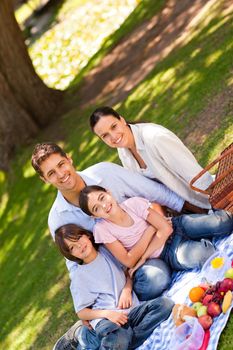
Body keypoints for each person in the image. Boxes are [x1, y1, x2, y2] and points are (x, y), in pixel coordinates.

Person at [31, 142, 183, 349]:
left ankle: (112, 338)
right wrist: (88, 308)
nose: (61, 174)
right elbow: (74, 263)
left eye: (61, 164)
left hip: (147, 252)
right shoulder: (58, 218)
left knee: (155, 286)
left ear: (69, 158)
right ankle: (89, 334)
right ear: (44, 179)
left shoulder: (104, 173)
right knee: (155, 282)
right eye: (51, 173)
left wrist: (194, 205)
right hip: (119, 280)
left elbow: (153, 191)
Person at [54, 224, 174, 350]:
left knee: (165, 304)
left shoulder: (106, 251)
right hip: (107, 320)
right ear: (71, 255)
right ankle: (117, 341)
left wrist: (127, 289)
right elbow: (82, 312)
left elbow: (127, 272)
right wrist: (108, 314)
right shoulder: (79, 277)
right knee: (117, 336)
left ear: (87, 235)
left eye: (78, 238)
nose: (79, 245)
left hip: (131, 313)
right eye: (72, 247)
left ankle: (123, 342)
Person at [79, 185, 233, 274]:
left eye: (102, 198)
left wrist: (143, 256)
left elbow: (166, 228)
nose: (104, 206)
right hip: (167, 252)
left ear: (108, 192)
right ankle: (201, 242)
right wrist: (151, 229)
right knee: (205, 255)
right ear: (93, 216)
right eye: (96, 208)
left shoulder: (133, 204)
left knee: (224, 222)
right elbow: (129, 260)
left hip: (178, 226)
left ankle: (203, 233)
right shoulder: (102, 229)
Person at [89, 106, 214, 213]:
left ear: (121, 120)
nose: (114, 136)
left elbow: (195, 175)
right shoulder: (123, 150)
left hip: (204, 199)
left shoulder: (155, 138)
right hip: (178, 207)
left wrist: (216, 201)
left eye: (114, 126)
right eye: (105, 135)